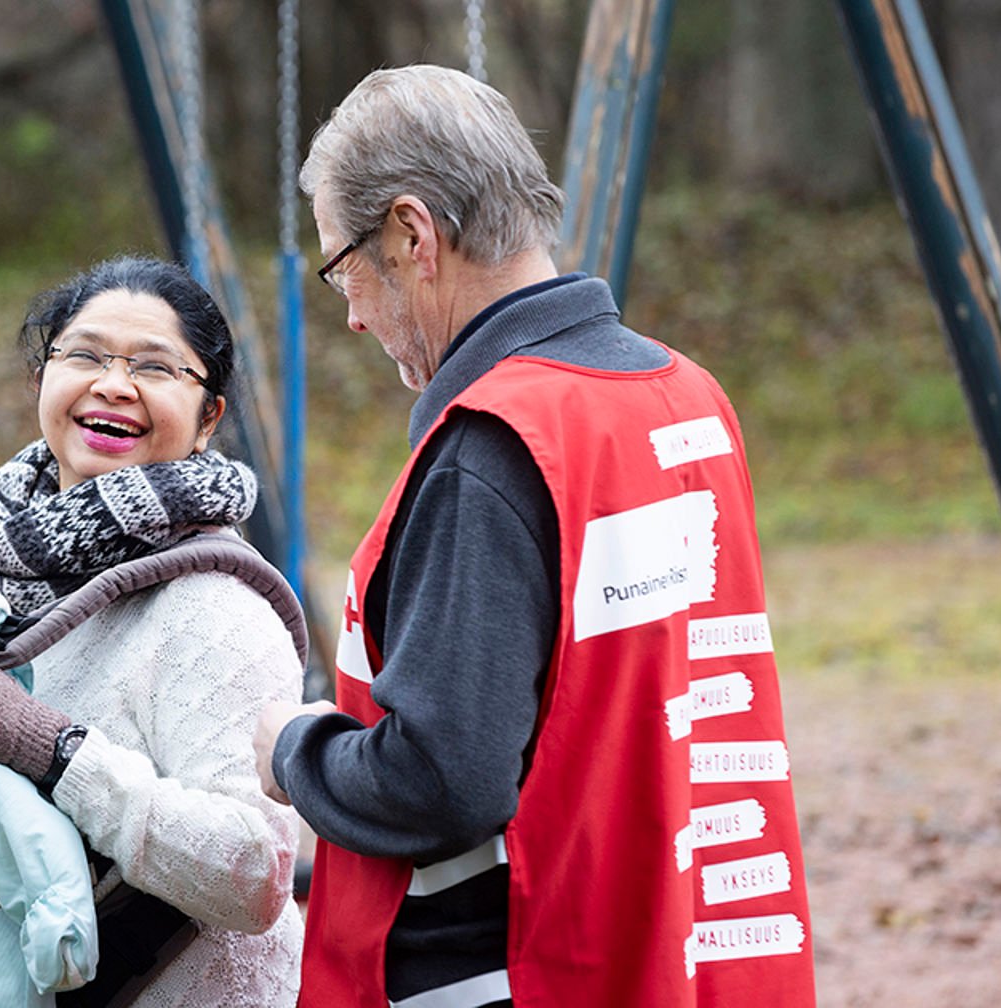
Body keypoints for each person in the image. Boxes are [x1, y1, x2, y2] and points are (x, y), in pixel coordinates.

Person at [252, 65, 816, 1007]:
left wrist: (292, 749)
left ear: (412, 235)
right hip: (693, 958)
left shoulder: (494, 446)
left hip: (523, 967)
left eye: (343, 266)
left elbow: (443, 779)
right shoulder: (687, 397)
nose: (348, 313)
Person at [0, 256, 305, 1006]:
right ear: (44, 377)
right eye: (83, 354)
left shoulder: (215, 603)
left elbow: (255, 876)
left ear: (209, 416)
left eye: (156, 367)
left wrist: (54, 751)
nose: (114, 384)